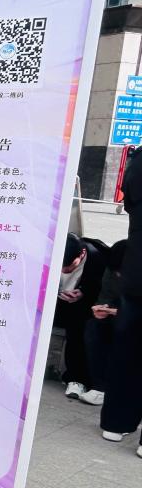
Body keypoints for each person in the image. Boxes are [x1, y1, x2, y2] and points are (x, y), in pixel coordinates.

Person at [100, 146, 142, 455]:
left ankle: (116, 422)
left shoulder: (138, 163)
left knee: (127, 349)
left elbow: (129, 203)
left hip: (136, 273)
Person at [54, 233, 107, 401]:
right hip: (54, 303)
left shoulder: (97, 258)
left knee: (79, 326)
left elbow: (99, 289)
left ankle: (77, 379)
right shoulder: (52, 250)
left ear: (82, 254)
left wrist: (83, 293)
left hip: (81, 306)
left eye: (70, 267)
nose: (64, 271)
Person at [81, 240, 127, 406]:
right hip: (119, 315)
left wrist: (118, 312)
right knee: (94, 327)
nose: (118, 275)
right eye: (115, 272)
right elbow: (106, 295)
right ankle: (99, 387)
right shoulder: (112, 268)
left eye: (122, 271)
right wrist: (102, 309)